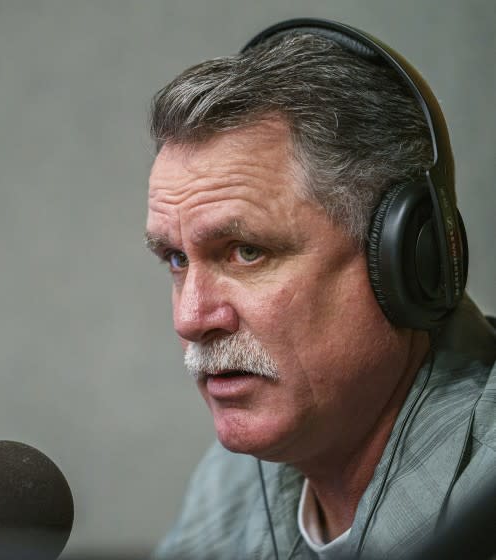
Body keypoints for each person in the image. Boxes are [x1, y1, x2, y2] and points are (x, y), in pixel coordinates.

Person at [145, 19, 496, 560]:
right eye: (175, 258)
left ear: (406, 262)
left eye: (246, 251)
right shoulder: (230, 489)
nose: (191, 320)